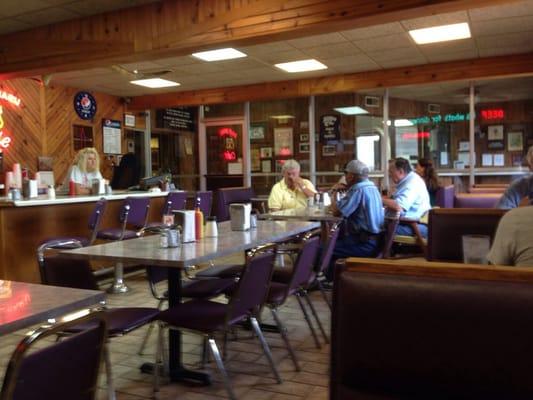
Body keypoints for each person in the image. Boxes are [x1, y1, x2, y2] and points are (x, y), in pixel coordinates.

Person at [326, 160, 384, 281]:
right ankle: (334, 279)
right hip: (376, 241)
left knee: (321, 248)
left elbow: (337, 212)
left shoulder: (357, 189)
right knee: (333, 243)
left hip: (364, 244)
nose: (344, 177)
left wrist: (334, 193)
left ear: (351, 176)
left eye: (345, 173)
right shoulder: (373, 187)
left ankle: (327, 281)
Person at [382, 157, 431, 237]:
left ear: (401, 171)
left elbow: (399, 206)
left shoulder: (413, 183)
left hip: (415, 226)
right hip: (409, 223)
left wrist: (379, 199)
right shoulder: (408, 180)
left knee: (378, 227)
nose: (389, 175)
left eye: (391, 172)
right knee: (376, 223)